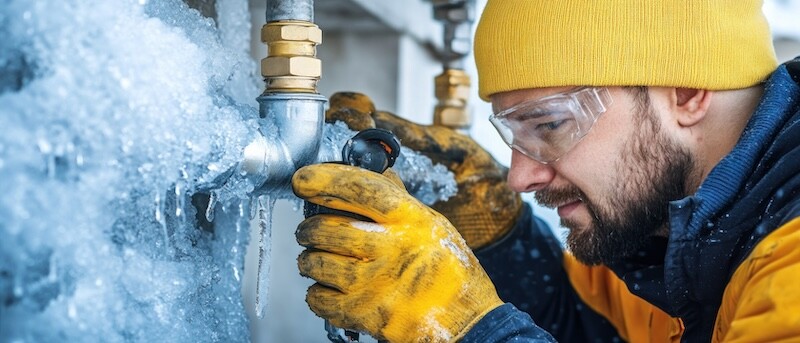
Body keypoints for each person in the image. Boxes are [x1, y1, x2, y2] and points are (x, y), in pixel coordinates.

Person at [291, 0, 800, 341]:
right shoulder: (675, 237)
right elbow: (590, 328)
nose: (520, 177)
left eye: (551, 124)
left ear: (686, 91)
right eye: (515, 133)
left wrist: (468, 329)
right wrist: (502, 241)